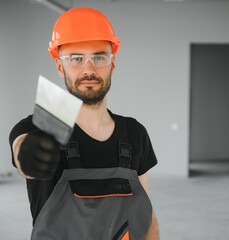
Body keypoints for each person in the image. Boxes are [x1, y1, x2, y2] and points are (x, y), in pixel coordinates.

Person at [9, 7, 159, 240]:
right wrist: (27, 154)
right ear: (60, 67)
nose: (89, 69)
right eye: (76, 58)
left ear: (113, 64)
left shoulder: (134, 132)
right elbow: (22, 149)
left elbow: (145, 216)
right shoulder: (43, 126)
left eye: (99, 57)